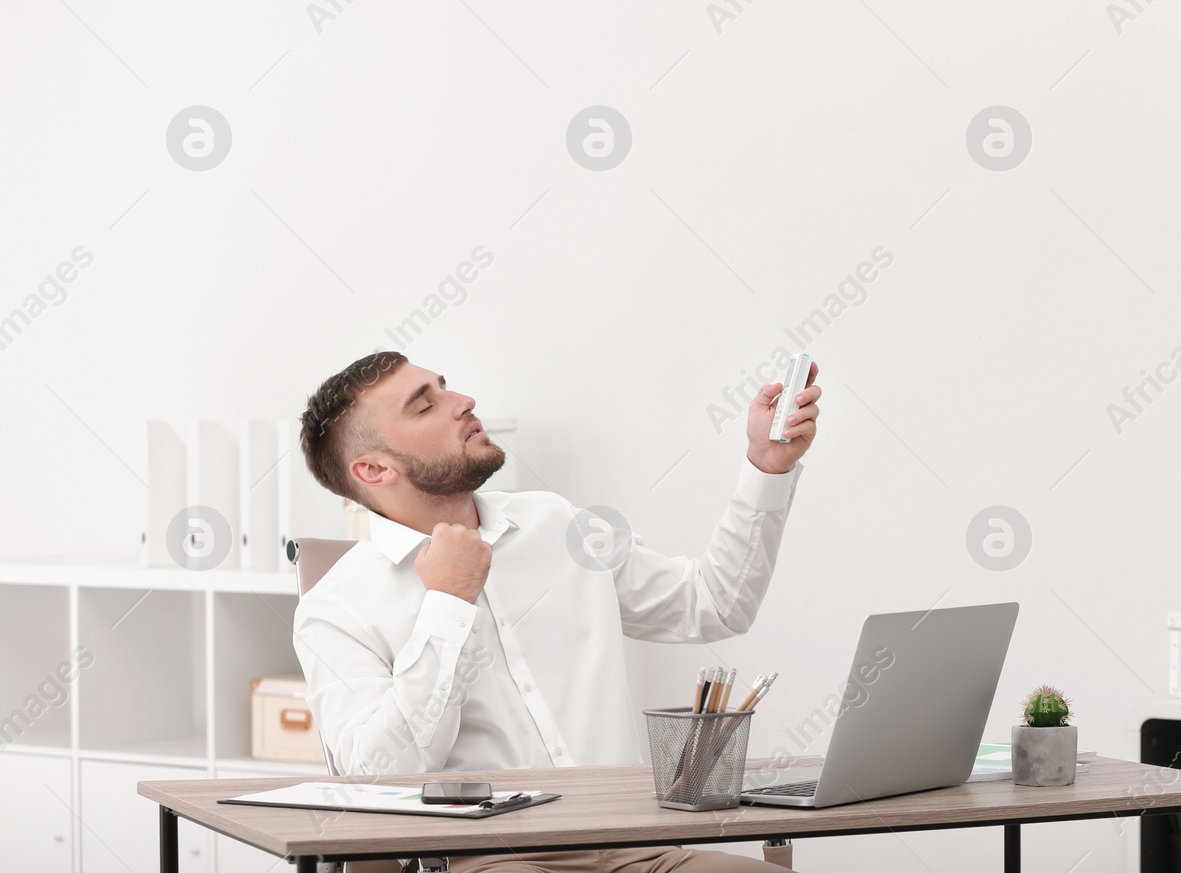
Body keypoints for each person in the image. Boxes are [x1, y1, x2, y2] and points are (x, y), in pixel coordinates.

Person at [291, 350, 821, 872]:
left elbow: (713, 607)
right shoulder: (335, 608)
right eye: (425, 406)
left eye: (446, 386)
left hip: (638, 845)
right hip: (487, 861)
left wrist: (766, 470)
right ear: (374, 468)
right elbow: (380, 776)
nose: (464, 401)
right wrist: (447, 604)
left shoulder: (555, 522)